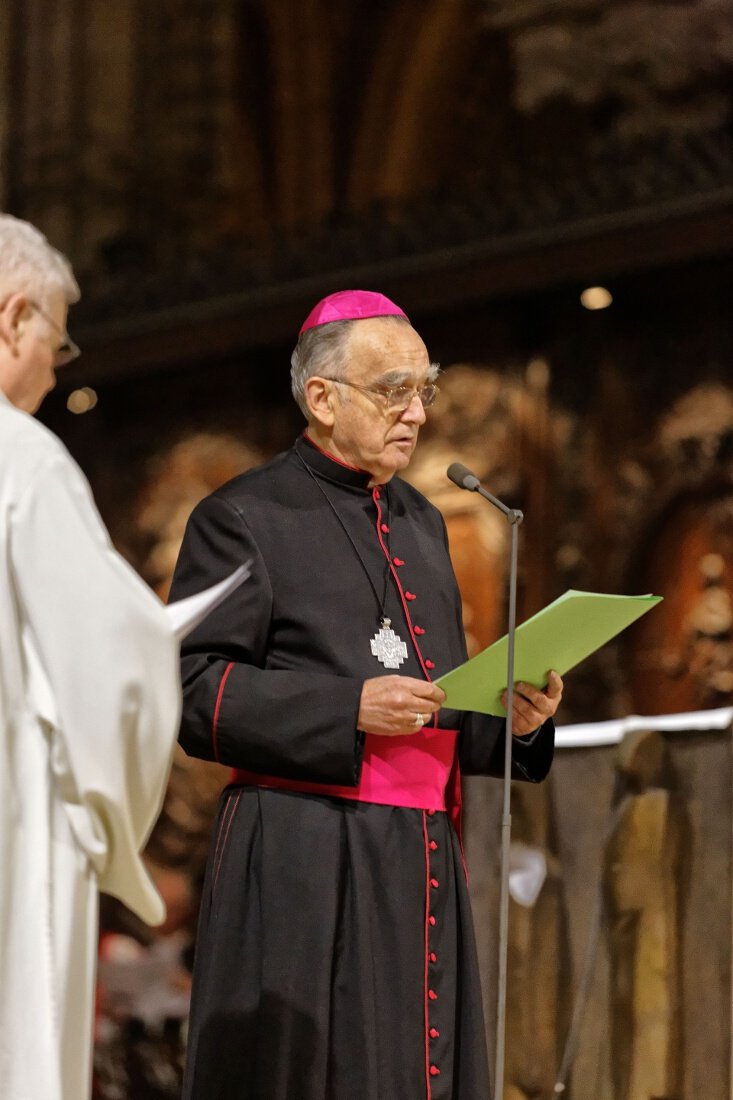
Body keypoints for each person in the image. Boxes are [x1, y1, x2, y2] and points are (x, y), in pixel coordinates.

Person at [170, 289, 563, 1099]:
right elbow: (192, 689)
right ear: (321, 397)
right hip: (305, 853)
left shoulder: (422, 520)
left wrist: (513, 721)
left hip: (418, 855)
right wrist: (345, 708)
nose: (415, 412)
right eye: (393, 390)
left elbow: (436, 702)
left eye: (425, 388)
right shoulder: (240, 516)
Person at [0, 213, 182, 1100]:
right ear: (13, 317)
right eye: (55, 344)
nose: (49, 370)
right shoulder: (25, 461)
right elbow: (108, 667)